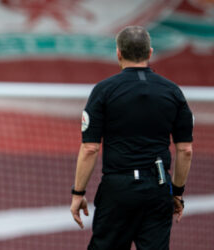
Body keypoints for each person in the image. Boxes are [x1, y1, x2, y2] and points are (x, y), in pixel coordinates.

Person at [70, 26, 193, 250]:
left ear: (118, 53)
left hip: (118, 189)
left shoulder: (104, 90)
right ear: (150, 53)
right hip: (158, 187)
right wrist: (177, 192)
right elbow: (185, 150)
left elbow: (90, 148)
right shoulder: (173, 92)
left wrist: (78, 192)